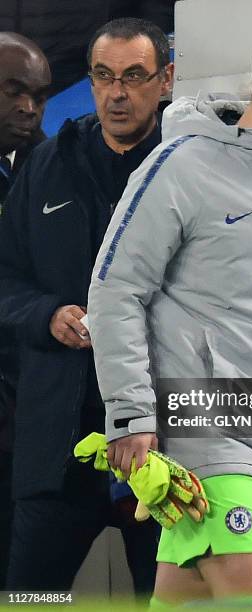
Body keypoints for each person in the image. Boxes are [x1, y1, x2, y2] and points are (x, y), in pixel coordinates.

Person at [87, 17, 252, 607]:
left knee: (185, 589)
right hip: (199, 412)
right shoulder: (180, 166)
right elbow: (114, 290)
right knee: (249, 583)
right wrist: (131, 415)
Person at [0, 17, 173, 591]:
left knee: (169, 600)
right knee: (32, 598)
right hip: (57, 445)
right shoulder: (47, 166)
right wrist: (47, 313)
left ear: (165, 79)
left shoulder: (190, 168)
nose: (116, 93)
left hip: (162, 449)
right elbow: (7, 279)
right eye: (103, 76)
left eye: (133, 76)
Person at [0, 31, 51, 590]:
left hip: (32, 420)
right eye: (14, 90)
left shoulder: (50, 168)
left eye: (38, 95)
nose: (28, 107)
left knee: (32, 579)